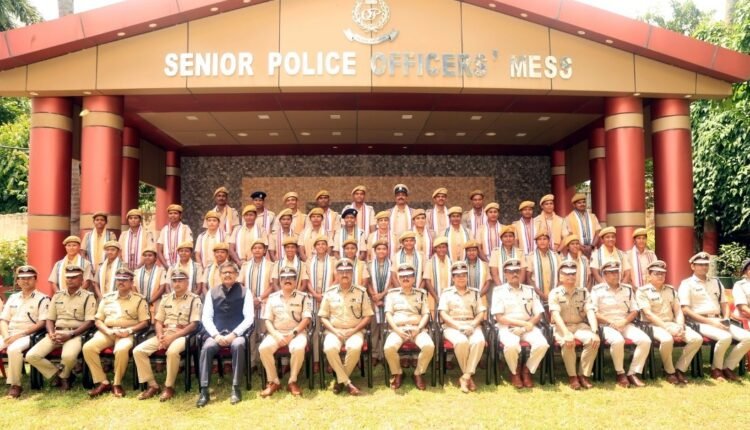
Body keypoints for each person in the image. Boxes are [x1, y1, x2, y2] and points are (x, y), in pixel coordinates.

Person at [679, 252, 750, 382]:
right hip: (698, 322)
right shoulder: (686, 284)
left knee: (748, 337)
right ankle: (716, 369)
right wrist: (711, 322)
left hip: (719, 319)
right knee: (725, 337)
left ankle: (728, 367)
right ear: (693, 266)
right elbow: (685, 309)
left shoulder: (716, 282)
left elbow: (724, 304)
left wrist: (726, 318)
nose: (704, 267)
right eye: (700, 265)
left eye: (706, 265)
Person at [134, 268, 202, 401]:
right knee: (138, 351)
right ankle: (152, 385)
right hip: (165, 333)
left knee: (172, 352)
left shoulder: (194, 299)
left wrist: (172, 338)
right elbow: (158, 321)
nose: (177, 283)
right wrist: (160, 336)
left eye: (180, 280)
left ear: (187, 282)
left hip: (184, 335)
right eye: (174, 281)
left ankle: (169, 387)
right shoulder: (166, 299)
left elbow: (193, 325)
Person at [26, 265, 96, 391]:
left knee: (68, 356)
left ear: (81, 279)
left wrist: (71, 334)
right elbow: (50, 318)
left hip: (75, 333)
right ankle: (59, 374)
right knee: (31, 356)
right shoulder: (58, 295)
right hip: (57, 332)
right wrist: (51, 333)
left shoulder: (88, 296)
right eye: (68, 277)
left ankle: (64, 378)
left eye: (74, 277)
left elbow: (90, 321)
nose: (70, 280)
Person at [84, 268, 149, 398]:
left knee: (121, 349)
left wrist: (129, 330)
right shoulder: (107, 298)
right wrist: (108, 331)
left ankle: (117, 383)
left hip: (127, 333)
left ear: (132, 282)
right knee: (88, 348)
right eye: (119, 279)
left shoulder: (139, 300)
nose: (121, 282)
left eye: (125, 280)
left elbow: (145, 322)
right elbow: (98, 320)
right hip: (108, 331)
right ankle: (103, 382)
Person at [197, 262, 254, 407]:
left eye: (231, 272)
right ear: (220, 275)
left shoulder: (245, 292)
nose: (227, 275)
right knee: (207, 347)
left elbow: (249, 318)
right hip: (217, 334)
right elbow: (206, 317)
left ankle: (236, 387)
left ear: (236, 275)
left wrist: (234, 334)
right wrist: (216, 335)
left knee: (238, 345)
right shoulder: (212, 292)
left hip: (236, 334)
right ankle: (204, 390)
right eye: (224, 272)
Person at [637, 260, 701, 385]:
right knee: (667, 340)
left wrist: (680, 326)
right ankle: (669, 371)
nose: (660, 276)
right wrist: (668, 328)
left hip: (672, 324)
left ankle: (680, 369)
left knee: (696, 339)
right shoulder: (642, 291)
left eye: (662, 273)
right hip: (653, 325)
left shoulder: (670, 290)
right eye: (656, 273)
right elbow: (648, 314)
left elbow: (678, 310)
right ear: (649, 275)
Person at [588, 260, 650, 387]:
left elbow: (634, 310)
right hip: (606, 325)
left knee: (645, 340)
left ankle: (632, 373)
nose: (615, 275)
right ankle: (620, 373)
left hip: (624, 323)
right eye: (611, 273)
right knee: (618, 341)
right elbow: (594, 312)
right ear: (604, 275)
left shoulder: (627, 289)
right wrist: (612, 322)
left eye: (617, 272)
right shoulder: (596, 290)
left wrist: (624, 321)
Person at [490, 259, 549, 389]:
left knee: (542, 344)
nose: (514, 274)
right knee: (511, 345)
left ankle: (527, 370)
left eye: (517, 271)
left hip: (528, 326)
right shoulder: (499, 291)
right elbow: (499, 317)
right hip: (507, 327)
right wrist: (521, 324)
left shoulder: (530, 290)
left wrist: (526, 326)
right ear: (505, 273)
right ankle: (514, 372)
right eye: (511, 272)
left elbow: (538, 313)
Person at [319, 259, 374, 395]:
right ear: (336, 274)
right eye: (341, 272)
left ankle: (340, 381)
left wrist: (354, 330)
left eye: (348, 271)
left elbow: (368, 316)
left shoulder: (361, 292)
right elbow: (323, 317)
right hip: (334, 331)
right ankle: (347, 383)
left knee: (354, 348)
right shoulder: (329, 293)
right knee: (329, 348)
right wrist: (335, 331)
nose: (344, 274)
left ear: (352, 273)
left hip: (355, 331)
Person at [259, 266, 312, 397]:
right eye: (284, 278)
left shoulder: (304, 297)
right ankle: (274, 381)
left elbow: (306, 319)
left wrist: (293, 334)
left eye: (291, 278)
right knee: (263, 348)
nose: (287, 280)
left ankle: (292, 381)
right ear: (280, 281)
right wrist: (276, 335)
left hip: (297, 333)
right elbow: (267, 320)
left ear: (296, 281)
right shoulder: (272, 298)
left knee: (298, 348)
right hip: (276, 333)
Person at [547, 261, 599, 390]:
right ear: (560, 277)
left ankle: (584, 375)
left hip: (580, 326)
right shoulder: (555, 293)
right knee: (568, 343)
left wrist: (595, 332)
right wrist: (566, 333)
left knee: (592, 341)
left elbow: (590, 311)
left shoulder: (584, 292)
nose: (570, 276)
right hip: (561, 327)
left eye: (573, 274)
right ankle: (573, 376)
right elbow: (555, 315)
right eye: (567, 274)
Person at [383, 263, 434, 390]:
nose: (405, 278)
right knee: (388, 347)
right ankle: (398, 373)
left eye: (409, 276)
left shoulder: (421, 294)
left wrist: (419, 328)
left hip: (417, 329)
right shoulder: (392, 294)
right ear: (398, 278)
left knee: (429, 346)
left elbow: (426, 314)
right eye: (402, 276)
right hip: (398, 329)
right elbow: (388, 314)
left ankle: (418, 373)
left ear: (414, 278)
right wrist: (396, 330)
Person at [437, 261, 486, 393]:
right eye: (457, 275)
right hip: (452, 326)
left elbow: (481, 312)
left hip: (472, 324)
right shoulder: (446, 293)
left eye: (463, 275)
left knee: (479, 341)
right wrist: (458, 326)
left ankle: (465, 376)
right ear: (453, 278)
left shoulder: (475, 293)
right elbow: (443, 314)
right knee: (461, 341)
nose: (461, 278)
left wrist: (473, 325)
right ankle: (468, 376)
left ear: (467, 277)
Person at [1, 265, 49, 398]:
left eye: (29, 278)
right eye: (22, 278)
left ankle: (15, 385)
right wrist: (5, 336)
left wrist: (19, 335)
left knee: (13, 349)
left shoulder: (42, 299)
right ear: (17, 281)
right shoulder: (13, 297)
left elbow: (42, 322)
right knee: (8, 344)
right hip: (9, 333)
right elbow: (3, 319)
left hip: (28, 334)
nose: (25, 281)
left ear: (36, 280)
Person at [238, 238, 274, 369]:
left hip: (265, 304)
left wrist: (259, 299)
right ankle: (252, 362)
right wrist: (251, 299)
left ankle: (264, 363)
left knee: (264, 333)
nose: (257, 250)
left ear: (264, 251)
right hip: (249, 305)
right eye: (255, 248)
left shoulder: (271, 265)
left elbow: (272, 285)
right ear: (251, 250)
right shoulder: (245, 265)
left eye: (260, 248)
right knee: (251, 334)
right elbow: (240, 284)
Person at [305, 235, 337, 372]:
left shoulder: (333, 261)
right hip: (314, 299)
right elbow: (306, 281)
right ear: (314, 247)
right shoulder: (309, 261)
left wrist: (324, 295)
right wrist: (315, 295)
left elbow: (337, 279)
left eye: (324, 244)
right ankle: (317, 360)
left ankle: (330, 360)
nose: (321, 246)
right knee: (316, 331)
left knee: (330, 330)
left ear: (327, 246)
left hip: (329, 299)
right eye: (318, 244)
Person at [368, 239, 392, 366]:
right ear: (375, 251)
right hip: (372, 301)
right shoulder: (369, 265)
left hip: (388, 299)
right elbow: (367, 282)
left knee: (385, 328)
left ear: (387, 251)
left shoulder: (392, 265)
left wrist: (382, 296)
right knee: (374, 328)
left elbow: (392, 282)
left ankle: (384, 354)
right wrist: (374, 297)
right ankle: (374, 354)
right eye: (378, 249)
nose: (381, 251)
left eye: (384, 249)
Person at [526, 229, 562, 302]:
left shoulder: (556, 256)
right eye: (539, 239)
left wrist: (555, 292)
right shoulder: (531, 257)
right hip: (536, 295)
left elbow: (561, 276)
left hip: (555, 294)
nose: (542, 241)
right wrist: (540, 294)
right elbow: (528, 278)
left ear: (549, 241)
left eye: (545, 239)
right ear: (536, 242)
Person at [563, 193, 601, 258]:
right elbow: (569, 236)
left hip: (592, 250)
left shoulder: (592, 216)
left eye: (583, 202)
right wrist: (581, 248)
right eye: (579, 203)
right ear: (574, 205)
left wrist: (591, 247)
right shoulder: (569, 218)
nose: (582, 204)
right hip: (577, 251)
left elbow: (598, 233)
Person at [156, 204, 193, 268]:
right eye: (170, 213)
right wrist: (166, 266)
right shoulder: (164, 230)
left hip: (183, 266)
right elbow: (159, 251)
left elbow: (189, 248)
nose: (173, 215)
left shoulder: (185, 229)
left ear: (180, 215)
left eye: (175, 213)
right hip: (166, 266)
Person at [133, 248, 167, 318]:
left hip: (155, 303)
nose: (147, 257)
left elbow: (162, 288)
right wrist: (141, 301)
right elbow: (133, 287)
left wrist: (150, 301)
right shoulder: (137, 272)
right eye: (145, 255)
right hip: (139, 303)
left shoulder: (161, 271)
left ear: (155, 258)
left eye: (150, 255)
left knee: (155, 321)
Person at [422, 237, 451, 303]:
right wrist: (436, 298)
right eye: (439, 247)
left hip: (449, 298)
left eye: (443, 247)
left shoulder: (451, 263)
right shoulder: (430, 263)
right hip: (433, 298)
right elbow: (427, 282)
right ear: (435, 249)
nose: (441, 249)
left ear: (447, 248)